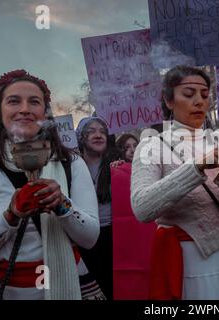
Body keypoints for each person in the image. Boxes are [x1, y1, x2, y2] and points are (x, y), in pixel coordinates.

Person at [130, 65, 219, 300]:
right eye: (188, 94)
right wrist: (196, 167)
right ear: (168, 101)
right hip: (193, 262)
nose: (199, 101)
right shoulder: (152, 146)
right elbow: (142, 208)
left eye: (205, 95)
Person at [0, 69, 99, 300]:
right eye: (13, 101)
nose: (25, 109)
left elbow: (89, 238)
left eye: (34, 102)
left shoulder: (71, 164)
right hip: (2, 288)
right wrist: (10, 217)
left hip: (68, 284)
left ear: (45, 113)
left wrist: (62, 205)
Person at [76, 116, 120, 300]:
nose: (98, 135)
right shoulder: (72, 167)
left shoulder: (116, 165)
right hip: (83, 235)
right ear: (81, 138)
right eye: (91, 131)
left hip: (113, 234)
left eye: (102, 131)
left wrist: (121, 172)